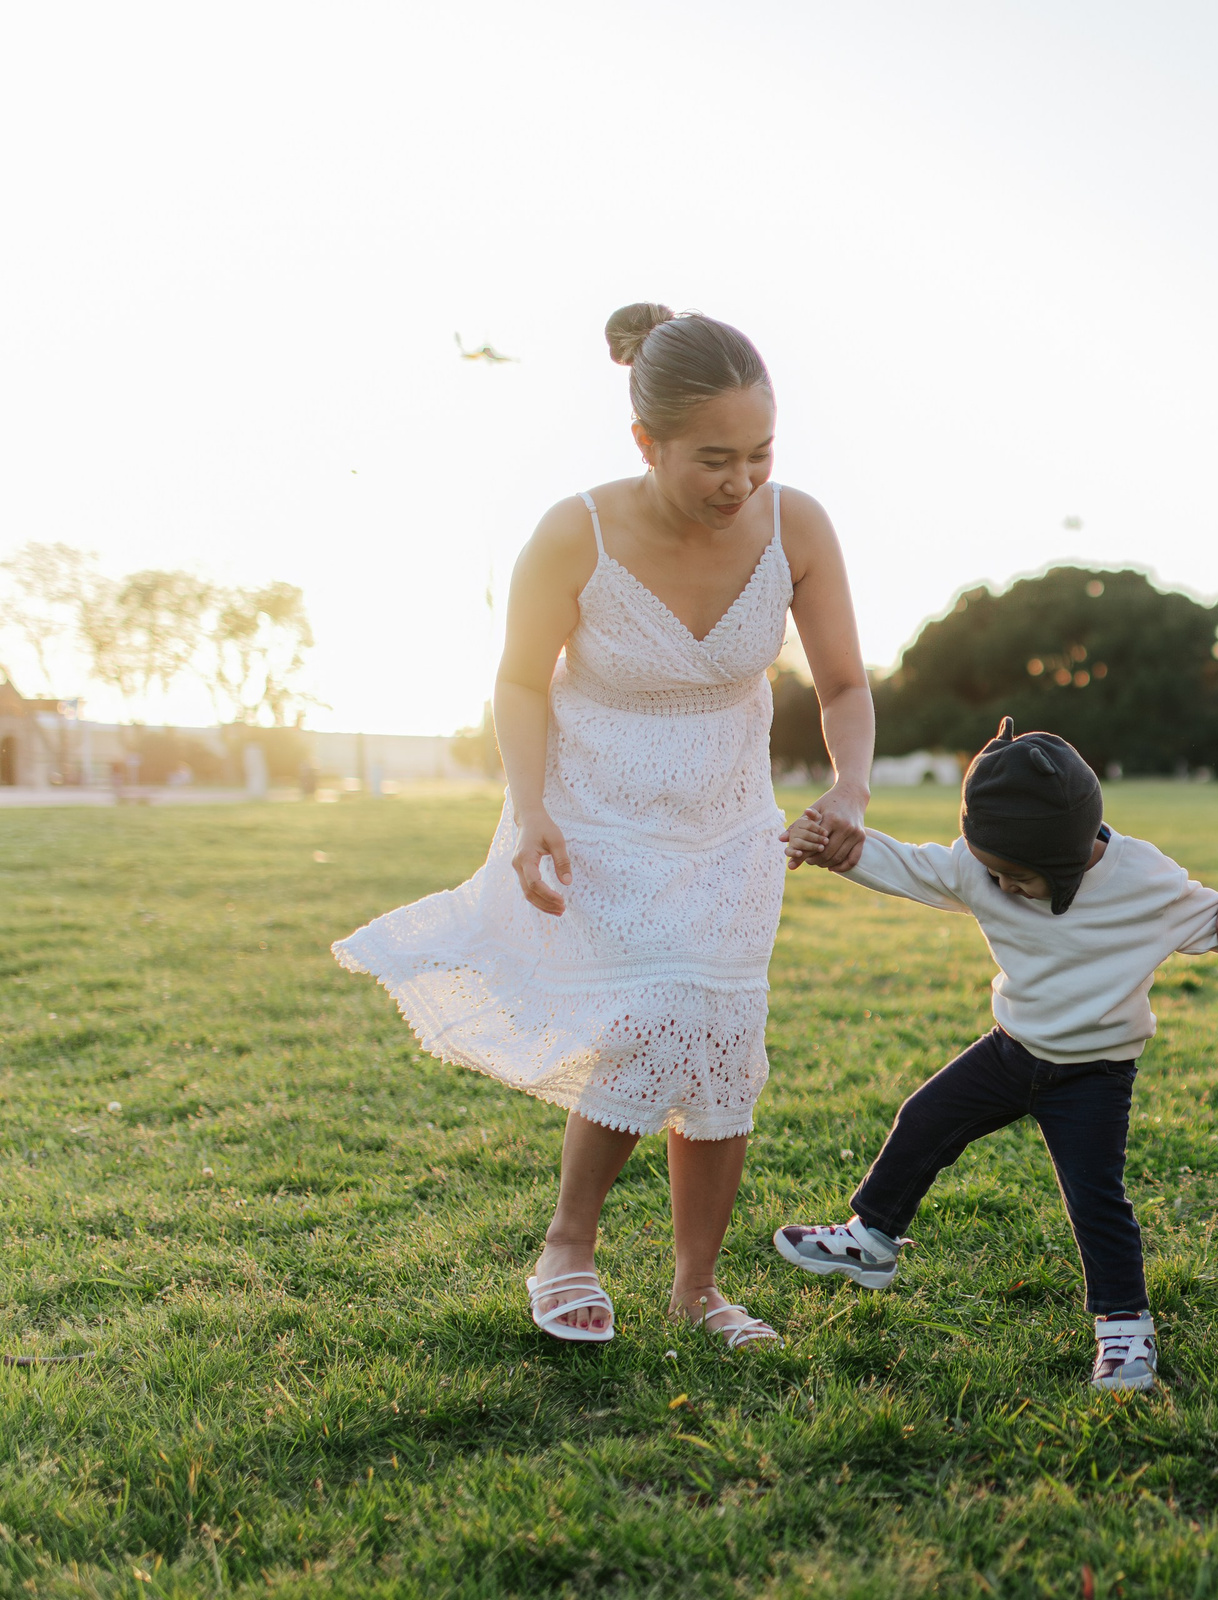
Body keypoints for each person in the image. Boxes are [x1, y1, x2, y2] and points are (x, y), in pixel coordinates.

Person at [334, 303, 873, 1350]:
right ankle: (566, 1248)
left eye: (760, 454)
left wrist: (848, 789)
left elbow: (844, 680)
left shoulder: (795, 526)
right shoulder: (571, 531)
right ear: (645, 442)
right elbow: (520, 682)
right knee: (647, 1021)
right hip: (596, 812)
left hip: (726, 823)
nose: (741, 482)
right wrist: (531, 812)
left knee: (722, 1044)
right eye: (714, 459)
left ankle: (696, 1289)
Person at [769, 719, 1218, 1392]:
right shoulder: (981, 868)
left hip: (1093, 1074)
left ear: (1066, 865)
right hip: (1012, 1050)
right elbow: (910, 865)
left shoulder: (1143, 880)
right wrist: (838, 847)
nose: (1000, 887)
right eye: (991, 872)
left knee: (1096, 1198)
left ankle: (1125, 1329)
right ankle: (871, 1239)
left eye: (1017, 878)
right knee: (924, 1118)